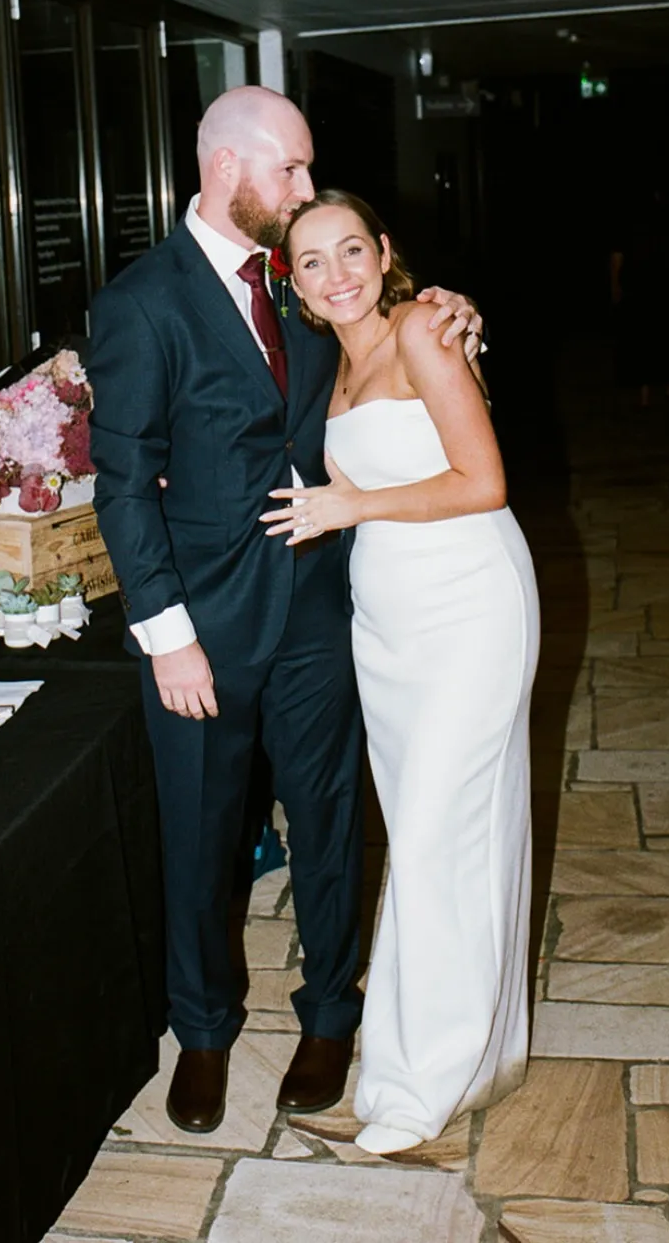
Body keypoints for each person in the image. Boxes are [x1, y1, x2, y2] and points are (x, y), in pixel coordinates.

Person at [87, 88, 481, 1136]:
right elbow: (121, 483)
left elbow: (386, 345)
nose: (307, 190)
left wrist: (445, 309)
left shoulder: (304, 286)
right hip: (201, 632)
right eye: (293, 169)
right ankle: (204, 1033)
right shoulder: (142, 302)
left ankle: (330, 1017)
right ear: (226, 166)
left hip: (319, 610)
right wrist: (165, 635)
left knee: (331, 819)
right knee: (201, 839)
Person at [261, 188, 538, 1155]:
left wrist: (349, 508)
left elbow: (484, 480)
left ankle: (426, 1081)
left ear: (384, 252)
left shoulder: (424, 328)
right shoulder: (326, 362)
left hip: (468, 604)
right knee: (440, 837)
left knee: (425, 840)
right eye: (311, 262)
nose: (336, 275)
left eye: (350, 251)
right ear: (292, 285)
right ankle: (438, 1051)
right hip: (387, 623)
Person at [610, 181, 669, 404]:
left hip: (638, 286)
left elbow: (616, 257)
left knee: (643, 335)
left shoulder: (628, 222)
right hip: (667, 285)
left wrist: (615, 285)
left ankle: (646, 392)